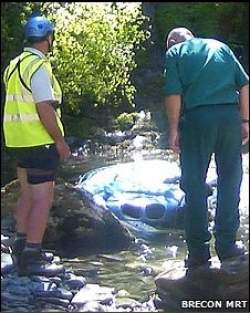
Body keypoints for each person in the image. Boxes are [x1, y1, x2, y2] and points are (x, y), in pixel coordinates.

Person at [163, 27, 249, 271]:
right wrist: (245, 121)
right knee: (231, 179)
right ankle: (228, 246)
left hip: (198, 120)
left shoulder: (175, 53)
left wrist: (173, 130)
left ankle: (199, 253)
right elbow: (244, 85)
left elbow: (173, 93)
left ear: (172, 43)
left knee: (194, 184)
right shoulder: (220, 47)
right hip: (229, 117)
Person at [3, 14, 71, 276]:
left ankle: (20, 244)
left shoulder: (13, 65)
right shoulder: (39, 67)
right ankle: (33, 253)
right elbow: (44, 106)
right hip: (39, 140)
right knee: (43, 198)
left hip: (16, 140)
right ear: (48, 38)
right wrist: (60, 141)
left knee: (27, 193)